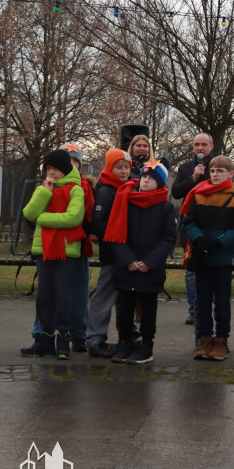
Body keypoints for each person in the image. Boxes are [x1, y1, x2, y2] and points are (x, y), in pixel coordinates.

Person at [103, 161, 176, 365]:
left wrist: (149, 261)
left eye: (151, 178)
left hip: (149, 269)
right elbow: (116, 234)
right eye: (144, 176)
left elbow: (169, 239)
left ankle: (146, 346)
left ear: (160, 184)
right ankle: (125, 342)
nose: (145, 180)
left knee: (147, 310)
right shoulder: (126, 202)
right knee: (124, 309)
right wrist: (127, 259)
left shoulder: (166, 208)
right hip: (127, 268)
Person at [20, 150, 87, 359]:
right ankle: (46, 340)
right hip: (43, 250)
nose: (51, 173)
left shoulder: (76, 190)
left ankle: (64, 340)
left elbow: (73, 218)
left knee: (63, 297)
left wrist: (43, 219)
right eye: (48, 169)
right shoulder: (43, 189)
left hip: (67, 251)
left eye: (54, 169)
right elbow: (29, 214)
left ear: (64, 169)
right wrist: (44, 193)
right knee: (44, 297)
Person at [182, 155, 234, 361]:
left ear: (230, 174)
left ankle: (221, 341)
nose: (215, 174)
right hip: (202, 257)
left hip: (223, 258)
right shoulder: (199, 195)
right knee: (202, 302)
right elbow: (189, 222)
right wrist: (199, 239)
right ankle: (205, 340)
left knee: (222, 303)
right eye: (212, 171)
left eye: (220, 171)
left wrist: (218, 242)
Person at [86, 148, 132, 358]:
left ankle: (126, 337)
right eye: (119, 167)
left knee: (123, 299)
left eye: (126, 167)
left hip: (125, 253)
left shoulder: (125, 187)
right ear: (109, 168)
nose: (123, 171)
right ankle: (95, 340)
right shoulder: (106, 190)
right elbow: (99, 223)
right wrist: (116, 244)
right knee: (104, 297)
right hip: (113, 254)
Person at [172, 133, 214, 327]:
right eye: (196, 144)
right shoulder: (186, 168)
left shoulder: (219, 165)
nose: (200, 148)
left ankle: (207, 308)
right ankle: (193, 310)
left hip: (212, 222)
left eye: (203, 144)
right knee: (190, 270)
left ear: (211, 147)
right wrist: (193, 178)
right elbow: (176, 191)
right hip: (190, 223)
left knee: (211, 268)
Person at [61, 142, 95, 353]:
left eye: (76, 161)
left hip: (79, 245)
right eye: (68, 161)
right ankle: (47, 333)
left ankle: (79, 335)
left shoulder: (85, 187)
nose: (72, 165)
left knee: (80, 294)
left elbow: (90, 214)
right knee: (55, 294)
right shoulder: (49, 186)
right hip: (55, 247)